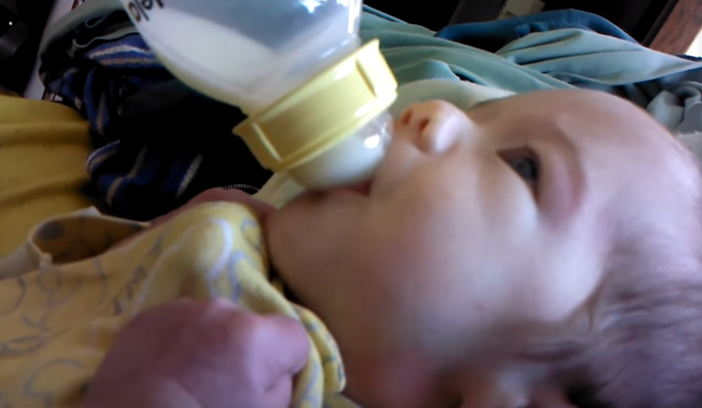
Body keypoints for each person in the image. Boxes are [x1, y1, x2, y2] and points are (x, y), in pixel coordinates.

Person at [2, 87, 702, 408]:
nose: (434, 112)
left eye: (524, 165)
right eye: (480, 110)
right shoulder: (254, 246)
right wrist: (159, 244)